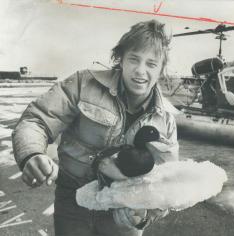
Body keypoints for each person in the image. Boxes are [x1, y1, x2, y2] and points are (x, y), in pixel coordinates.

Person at [12, 19, 179, 236]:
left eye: (151, 64)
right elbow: (36, 120)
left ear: (161, 69)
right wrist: (31, 154)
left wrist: (145, 214)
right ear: (121, 59)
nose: (140, 70)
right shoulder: (83, 83)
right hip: (73, 204)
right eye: (134, 59)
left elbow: (167, 181)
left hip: (123, 216)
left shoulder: (165, 118)